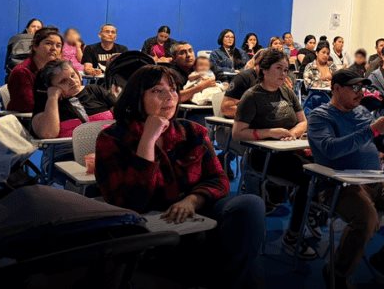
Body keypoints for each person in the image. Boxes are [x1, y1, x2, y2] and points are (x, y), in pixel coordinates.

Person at [95, 65, 265, 287]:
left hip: (194, 213)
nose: (170, 97)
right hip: (146, 224)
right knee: (237, 262)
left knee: (250, 205)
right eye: (157, 91)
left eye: (173, 89)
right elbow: (132, 202)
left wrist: (191, 201)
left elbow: (219, 180)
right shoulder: (112, 139)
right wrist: (148, 139)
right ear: (137, 97)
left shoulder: (191, 131)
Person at [308, 69, 384, 289]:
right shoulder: (320, 116)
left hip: (375, 179)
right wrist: (372, 130)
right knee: (367, 219)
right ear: (336, 89)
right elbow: (329, 150)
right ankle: (337, 272)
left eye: (361, 88)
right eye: (354, 88)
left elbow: (380, 146)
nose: (360, 93)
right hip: (339, 183)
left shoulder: (362, 113)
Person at [232, 49, 317, 259]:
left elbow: (303, 121)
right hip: (264, 156)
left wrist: (292, 134)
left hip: (291, 149)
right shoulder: (252, 96)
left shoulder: (286, 92)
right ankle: (293, 235)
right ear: (263, 70)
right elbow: (237, 133)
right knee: (309, 179)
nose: (283, 74)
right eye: (278, 68)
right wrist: (271, 133)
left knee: (325, 169)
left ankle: (312, 212)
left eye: (286, 70)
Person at [31, 59, 115, 139]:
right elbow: (48, 134)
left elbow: (122, 116)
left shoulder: (95, 90)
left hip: (107, 146)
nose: (72, 81)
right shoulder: (47, 104)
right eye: (63, 81)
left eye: (73, 75)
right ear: (51, 87)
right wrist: (53, 97)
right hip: (69, 151)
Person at [7, 27, 62, 112]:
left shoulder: (56, 69)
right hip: (26, 120)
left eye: (58, 46)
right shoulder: (22, 72)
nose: (54, 48)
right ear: (35, 46)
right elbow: (28, 105)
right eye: (48, 43)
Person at [221, 50, 265, 118]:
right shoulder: (243, 78)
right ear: (256, 64)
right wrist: (258, 115)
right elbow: (226, 109)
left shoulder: (279, 79)